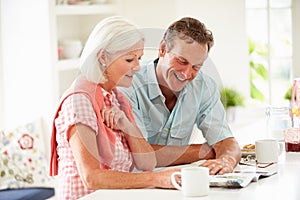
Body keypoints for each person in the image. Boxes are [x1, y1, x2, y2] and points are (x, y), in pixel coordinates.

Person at [49, 16, 178, 200]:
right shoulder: (79, 101)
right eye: (129, 59)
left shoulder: (116, 98)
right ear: (103, 57)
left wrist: (127, 126)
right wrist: (156, 178)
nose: (138, 67)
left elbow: (148, 162)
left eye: (139, 59)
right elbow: (91, 177)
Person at [119, 17, 241, 175]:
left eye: (196, 67)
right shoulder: (129, 83)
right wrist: (206, 150)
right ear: (163, 49)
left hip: (178, 184)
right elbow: (141, 154)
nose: (187, 74)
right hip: (135, 184)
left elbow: (226, 142)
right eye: (182, 61)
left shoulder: (204, 86)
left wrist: (227, 160)